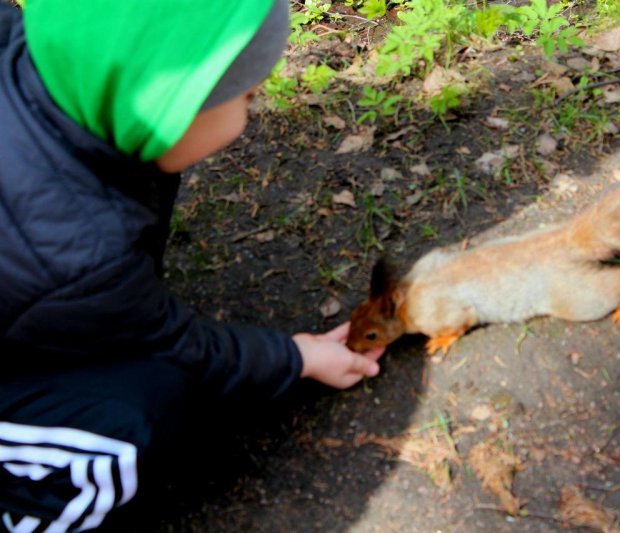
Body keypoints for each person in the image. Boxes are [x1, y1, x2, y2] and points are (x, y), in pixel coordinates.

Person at [0, 0, 384, 530]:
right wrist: (296, 358)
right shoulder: (85, 248)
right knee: (131, 418)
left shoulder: (38, 59)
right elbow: (181, 348)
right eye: (246, 95)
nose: (250, 115)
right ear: (165, 106)